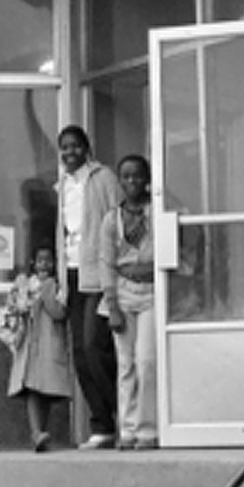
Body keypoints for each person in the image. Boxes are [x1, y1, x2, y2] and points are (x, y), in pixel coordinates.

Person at [56, 125, 121, 449]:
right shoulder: (63, 185)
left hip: (98, 272)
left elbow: (119, 218)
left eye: (75, 146)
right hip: (71, 272)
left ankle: (123, 413)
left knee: (96, 345)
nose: (70, 153)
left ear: (86, 148)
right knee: (80, 353)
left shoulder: (103, 178)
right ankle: (102, 425)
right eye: (64, 148)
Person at [100, 154, 157, 450]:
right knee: (126, 365)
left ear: (147, 179)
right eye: (126, 176)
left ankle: (148, 429)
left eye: (138, 176)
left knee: (146, 361)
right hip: (122, 294)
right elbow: (105, 264)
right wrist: (112, 307)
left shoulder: (156, 212)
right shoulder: (112, 219)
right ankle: (128, 429)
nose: (132, 181)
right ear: (119, 181)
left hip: (151, 293)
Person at [6, 246, 71, 452]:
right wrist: (22, 299)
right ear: (33, 263)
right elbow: (15, 307)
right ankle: (36, 432)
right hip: (29, 344)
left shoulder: (56, 286)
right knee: (32, 388)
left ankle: (42, 432)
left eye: (48, 260)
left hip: (49, 344)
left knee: (46, 390)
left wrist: (45, 295)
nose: (44, 264)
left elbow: (59, 313)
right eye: (40, 260)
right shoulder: (25, 284)